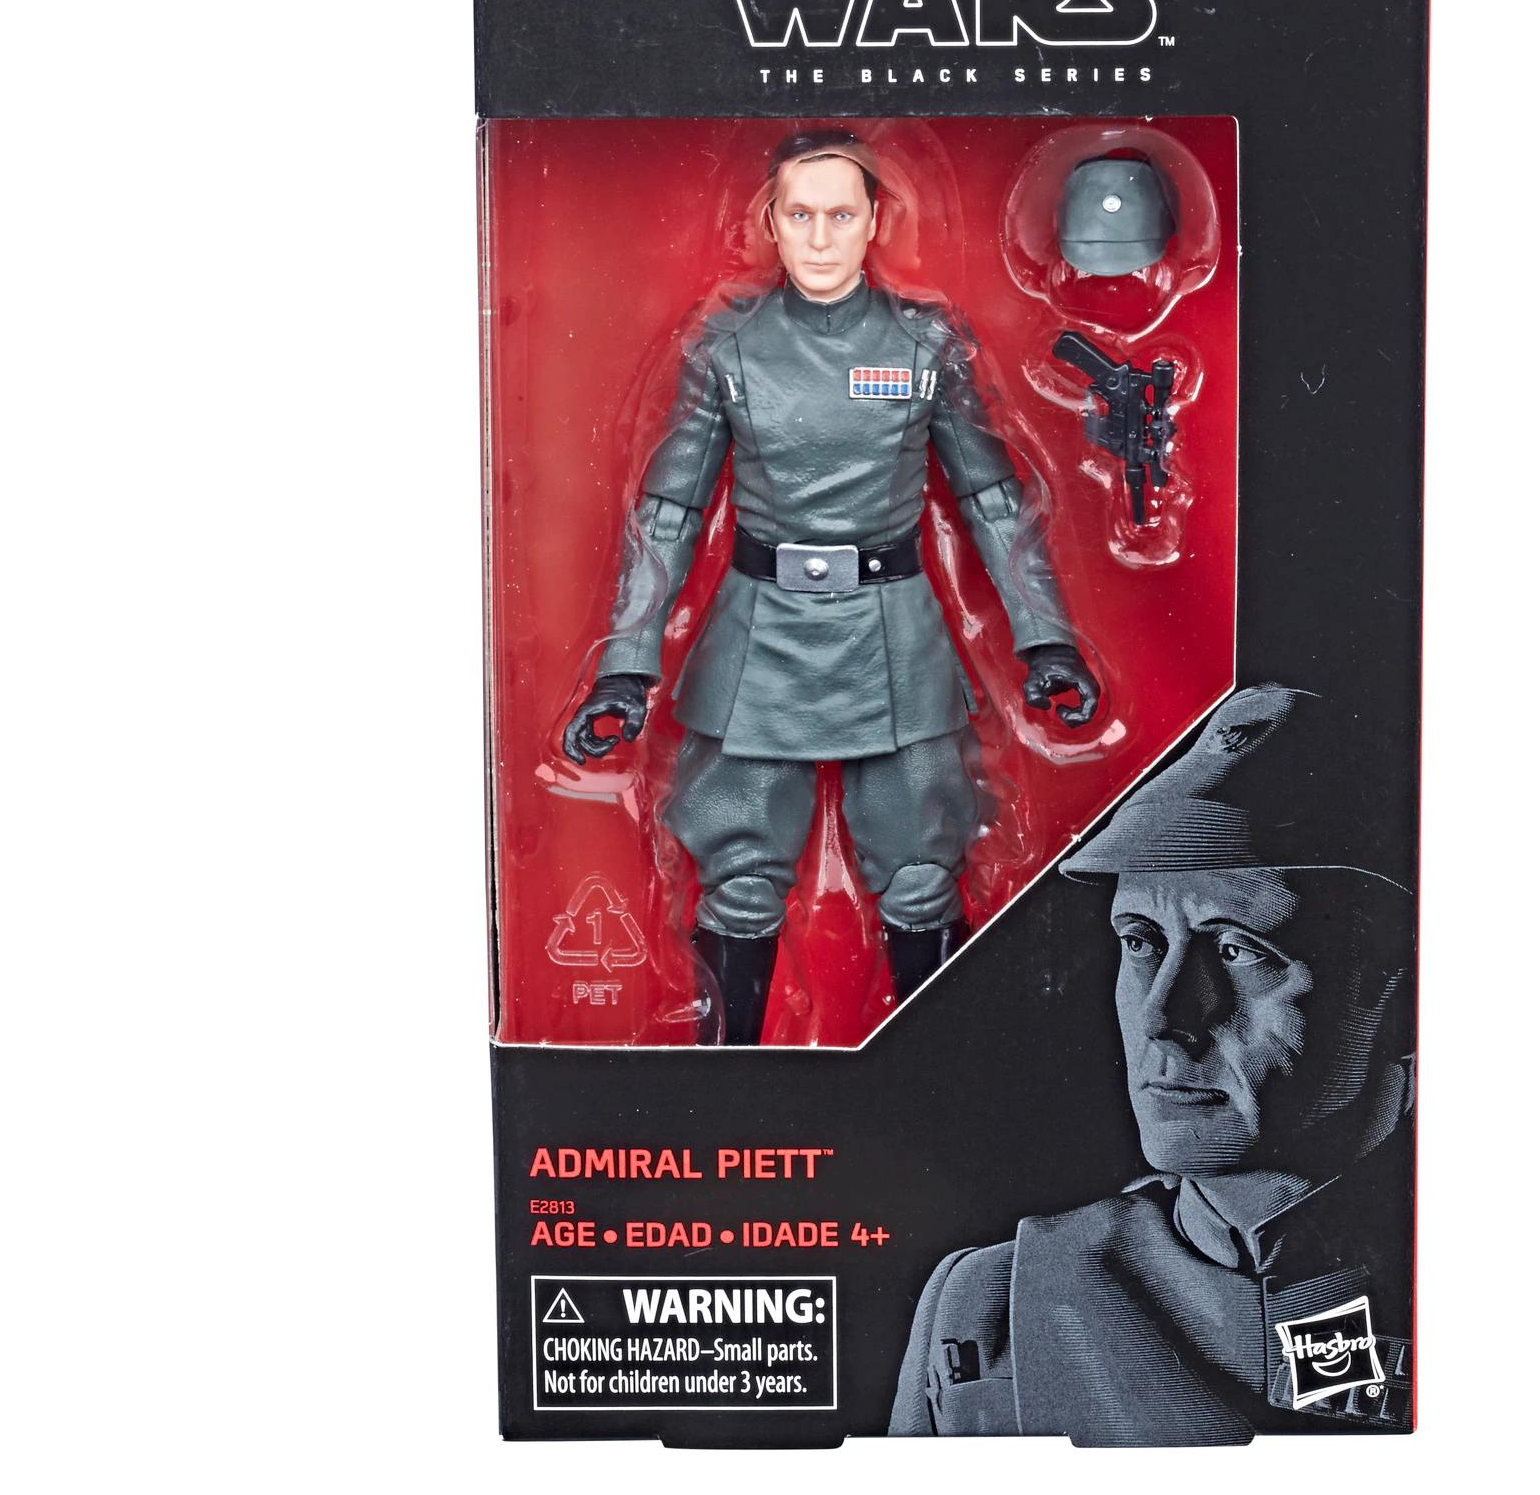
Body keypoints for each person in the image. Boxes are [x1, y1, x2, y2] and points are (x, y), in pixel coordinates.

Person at [562, 129, 1100, 1043]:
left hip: (894, 637)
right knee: (737, 877)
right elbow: (669, 512)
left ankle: (935, 1081)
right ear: (770, 221)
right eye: (801, 215)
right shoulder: (728, 345)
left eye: (840, 215)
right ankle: (723, 1087)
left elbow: (993, 501)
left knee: (923, 870)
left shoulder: (924, 341)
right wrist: (623, 665)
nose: (820, 238)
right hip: (759, 638)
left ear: (874, 221)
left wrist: (1046, 639)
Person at [889, 683, 1416, 1442]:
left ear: (1399, 996)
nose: (1164, 1021)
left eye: (1237, 951)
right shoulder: (992, 1301)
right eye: (1141, 942)